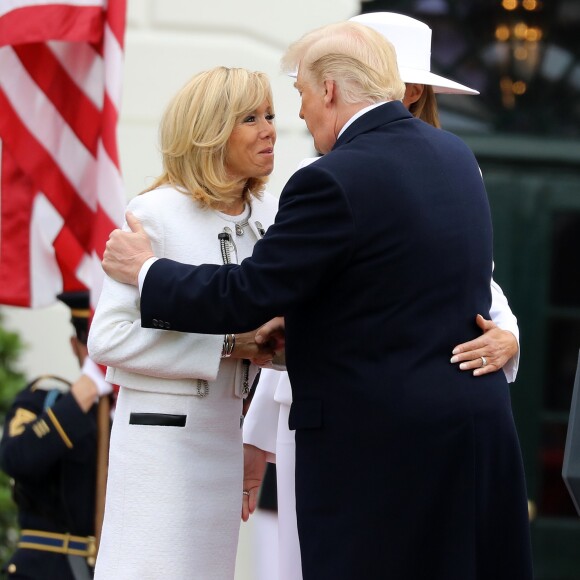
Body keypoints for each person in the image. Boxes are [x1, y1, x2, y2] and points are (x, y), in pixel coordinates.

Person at [101, 21, 533, 580]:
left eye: (298, 96)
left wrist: (148, 271)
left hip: (381, 453)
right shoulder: (454, 158)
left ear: (329, 90)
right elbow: (398, 290)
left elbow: (249, 293)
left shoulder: (332, 178)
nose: (297, 116)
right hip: (472, 432)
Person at [241, 12, 522, 580]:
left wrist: (509, 334)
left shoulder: (452, 161)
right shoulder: (326, 170)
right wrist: (255, 441)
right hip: (331, 407)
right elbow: (281, 289)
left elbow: (473, 283)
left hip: (398, 419)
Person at [86, 66, 278, 579]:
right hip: (160, 444)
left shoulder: (264, 221)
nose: (269, 129)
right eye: (250, 118)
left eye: (271, 115)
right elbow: (107, 339)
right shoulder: (155, 214)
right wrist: (225, 347)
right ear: (210, 129)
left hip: (225, 441)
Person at [0, 291, 113, 580]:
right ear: (75, 346)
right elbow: (17, 459)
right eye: (93, 346)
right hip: (46, 570)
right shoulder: (43, 400)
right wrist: (83, 393)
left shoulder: (128, 420)